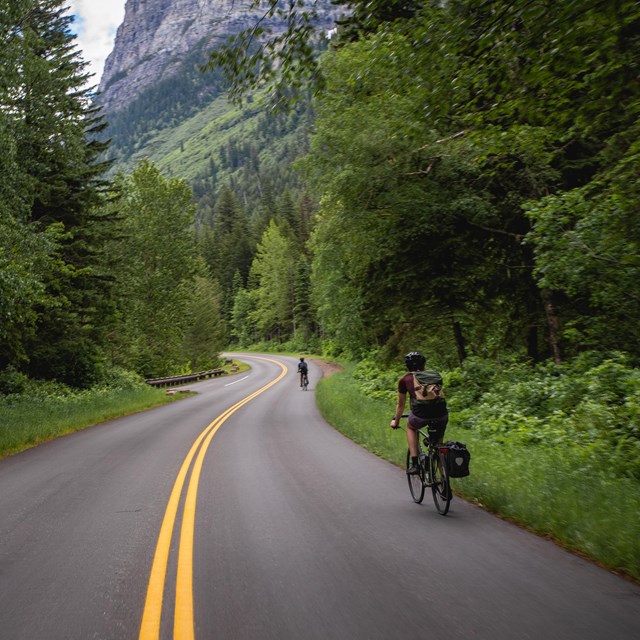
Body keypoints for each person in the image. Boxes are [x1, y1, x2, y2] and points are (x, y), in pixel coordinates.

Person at [390, 351, 448, 475]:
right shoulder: (434, 375)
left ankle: (415, 463)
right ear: (423, 364)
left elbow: (400, 405)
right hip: (441, 414)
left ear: (407, 366)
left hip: (420, 415)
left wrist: (396, 421)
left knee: (411, 427)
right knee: (439, 444)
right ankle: (444, 480)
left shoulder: (405, 379)